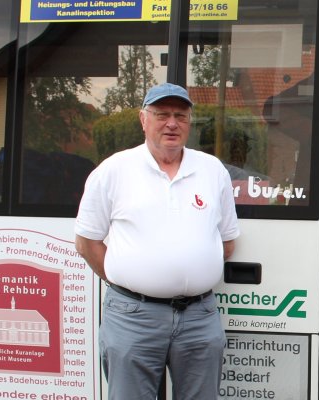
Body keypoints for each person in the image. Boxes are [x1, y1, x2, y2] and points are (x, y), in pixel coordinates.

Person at [74, 83, 240, 399]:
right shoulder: (114, 170)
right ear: (143, 119)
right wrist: (132, 280)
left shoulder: (211, 170)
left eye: (180, 115)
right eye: (162, 114)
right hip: (133, 317)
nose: (172, 123)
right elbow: (86, 242)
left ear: (190, 121)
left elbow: (227, 241)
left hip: (199, 317)